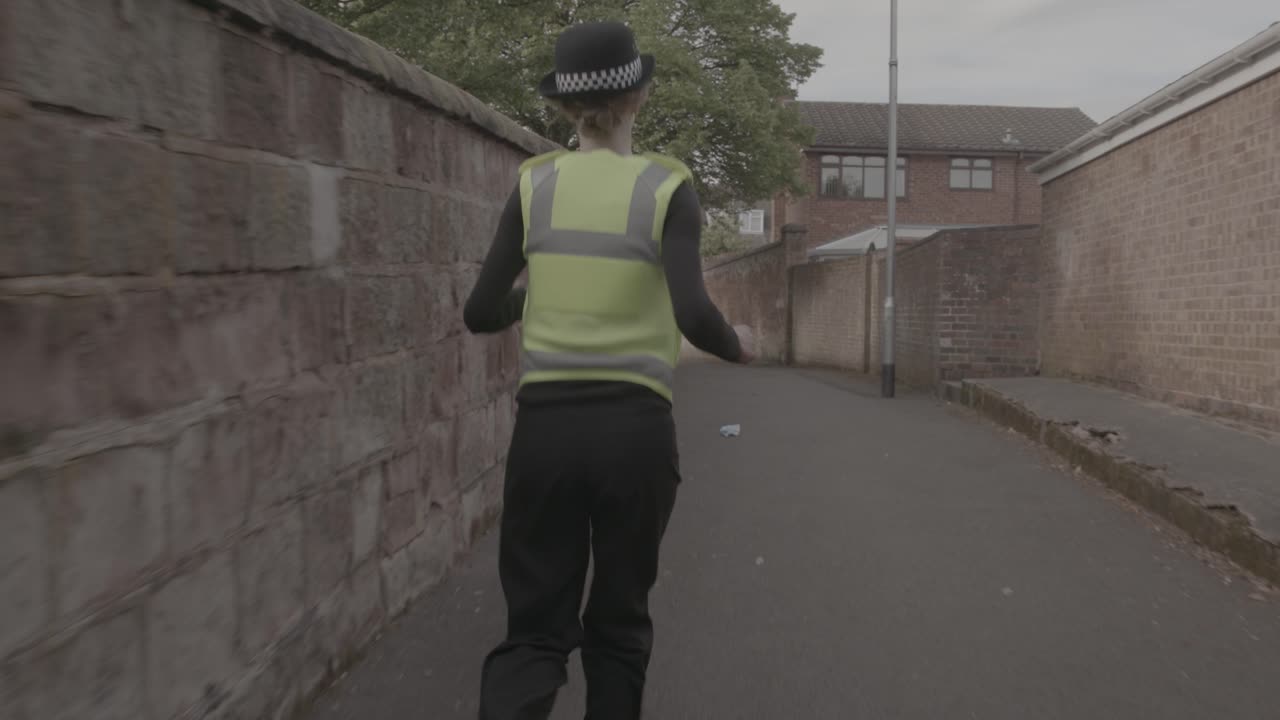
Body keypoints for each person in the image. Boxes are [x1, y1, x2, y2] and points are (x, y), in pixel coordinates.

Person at [462, 19, 754, 720]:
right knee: (619, 625)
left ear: (565, 107)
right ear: (641, 96)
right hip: (635, 437)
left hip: (546, 437)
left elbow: (479, 311)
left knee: (534, 631)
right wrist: (740, 343)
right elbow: (693, 314)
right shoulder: (667, 187)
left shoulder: (535, 185)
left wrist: (530, 299)